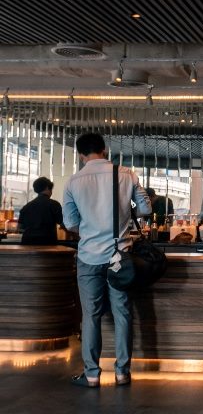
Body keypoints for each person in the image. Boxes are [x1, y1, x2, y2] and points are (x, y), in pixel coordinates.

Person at [63, 132, 151, 388]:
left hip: (89, 255)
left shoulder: (73, 181)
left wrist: (91, 228)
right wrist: (123, 212)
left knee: (90, 316)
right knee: (123, 313)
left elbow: (70, 223)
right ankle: (122, 372)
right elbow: (145, 209)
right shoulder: (126, 174)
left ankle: (91, 374)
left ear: (81, 155)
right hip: (119, 256)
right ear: (104, 149)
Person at [18, 177, 64, 245]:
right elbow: (63, 223)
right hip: (47, 244)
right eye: (51, 189)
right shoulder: (54, 204)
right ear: (47, 188)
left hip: (27, 244)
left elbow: (20, 228)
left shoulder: (26, 207)